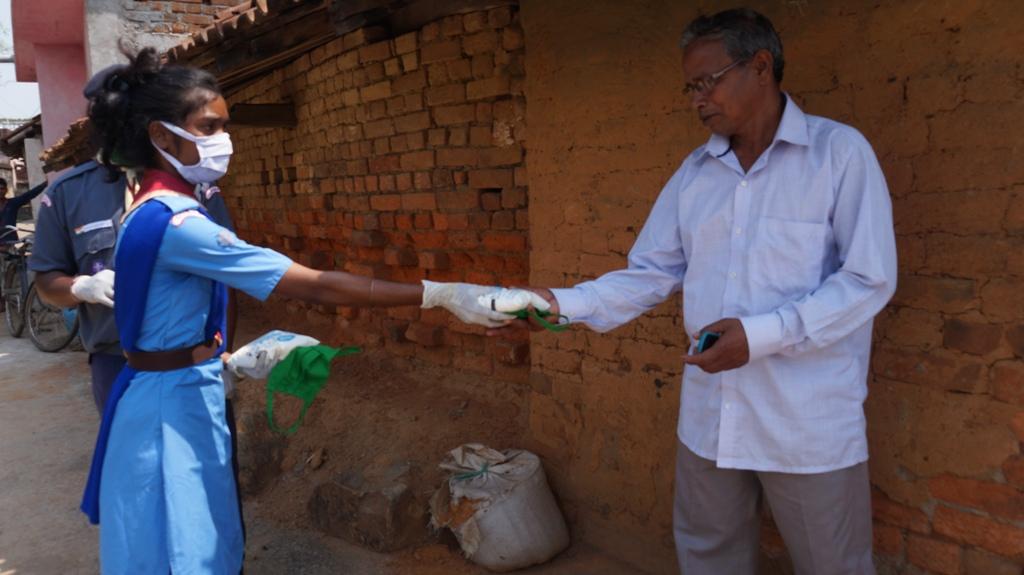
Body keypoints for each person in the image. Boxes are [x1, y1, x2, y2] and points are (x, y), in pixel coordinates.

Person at [79, 47, 517, 574]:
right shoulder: (180, 224)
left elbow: (157, 322)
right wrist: (441, 294)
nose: (225, 141)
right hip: (170, 412)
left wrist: (222, 360)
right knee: (186, 551)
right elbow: (316, 287)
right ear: (161, 136)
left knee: (168, 543)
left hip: (168, 389)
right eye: (210, 126)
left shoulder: (145, 210)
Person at [495, 8, 897, 574]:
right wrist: (563, 304)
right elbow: (650, 272)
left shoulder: (838, 155)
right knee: (709, 559)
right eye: (690, 87)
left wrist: (757, 337)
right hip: (712, 418)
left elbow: (868, 281)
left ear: (761, 67)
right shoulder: (696, 173)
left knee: (834, 565)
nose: (696, 99)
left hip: (806, 422)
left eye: (707, 81)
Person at [0, 178, 47, 244]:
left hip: (10, 241)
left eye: (2, 188)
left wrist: (44, 184)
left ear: (6, 190)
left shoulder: (12, 203)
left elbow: (27, 196)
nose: (0, 191)